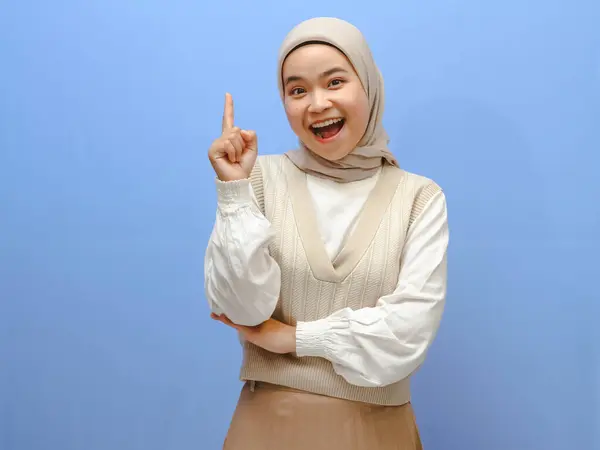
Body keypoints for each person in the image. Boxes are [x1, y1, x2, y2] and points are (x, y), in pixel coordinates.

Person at [204, 16, 448, 450]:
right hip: (268, 427)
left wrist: (292, 338)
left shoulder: (419, 198)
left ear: (368, 85)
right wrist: (234, 192)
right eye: (297, 90)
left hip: (379, 431)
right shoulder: (258, 179)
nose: (317, 103)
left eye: (335, 82)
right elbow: (241, 308)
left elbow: (408, 331)